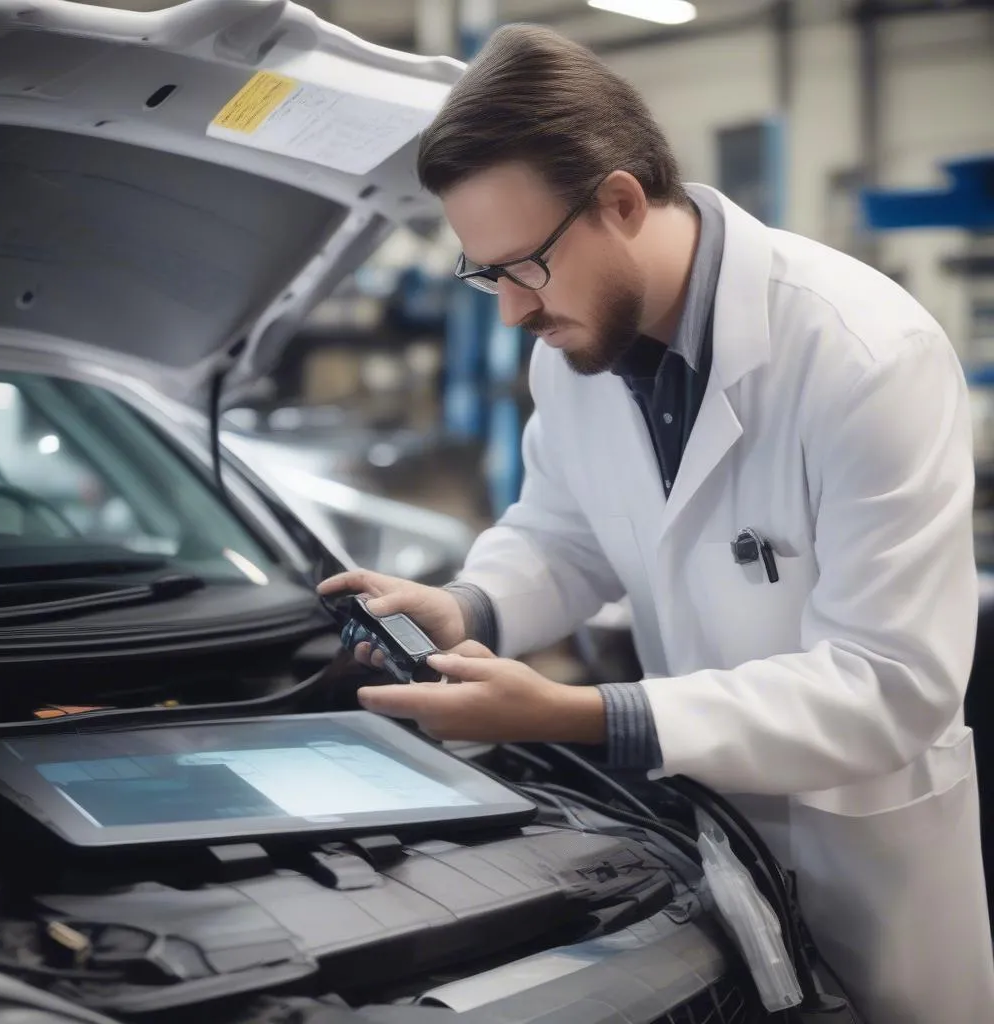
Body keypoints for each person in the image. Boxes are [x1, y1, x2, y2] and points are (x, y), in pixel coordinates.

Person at [319, 24, 994, 1024]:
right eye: (484, 274)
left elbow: (890, 683)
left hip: (866, 858)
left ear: (621, 202)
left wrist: (589, 716)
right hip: (710, 842)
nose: (509, 311)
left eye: (522, 267)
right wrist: (468, 606)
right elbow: (563, 530)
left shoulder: (863, 354)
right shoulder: (576, 351)